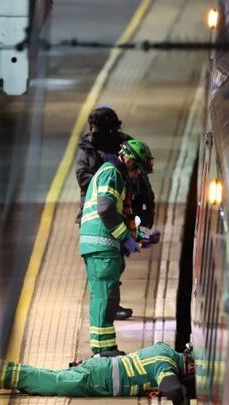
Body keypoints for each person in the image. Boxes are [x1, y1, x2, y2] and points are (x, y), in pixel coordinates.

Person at [74, 106, 158, 321]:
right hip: (102, 214)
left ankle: (112, 302)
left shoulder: (125, 146)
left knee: (116, 261)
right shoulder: (94, 153)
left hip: (122, 208)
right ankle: (110, 303)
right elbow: (84, 177)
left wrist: (144, 217)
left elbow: (142, 180)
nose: (94, 131)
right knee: (108, 263)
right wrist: (107, 184)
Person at [79, 139, 155, 356]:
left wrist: (139, 237)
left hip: (102, 244)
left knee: (107, 296)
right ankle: (102, 351)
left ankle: (106, 347)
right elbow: (105, 209)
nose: (137, 176)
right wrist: (125, 238)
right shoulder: (112, 173)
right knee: (105, 297)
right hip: (100, 244)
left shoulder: (113, 173)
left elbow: (118, 214)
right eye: (137, 170)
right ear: (129, 161)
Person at [0, 342, 194, 405]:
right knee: (51, 383)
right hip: (98, 380)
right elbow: (171, 389)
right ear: (189, 366)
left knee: (50, 375)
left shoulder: (163, 349)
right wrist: (184, 401)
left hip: (100, 368)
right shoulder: (165, 364)